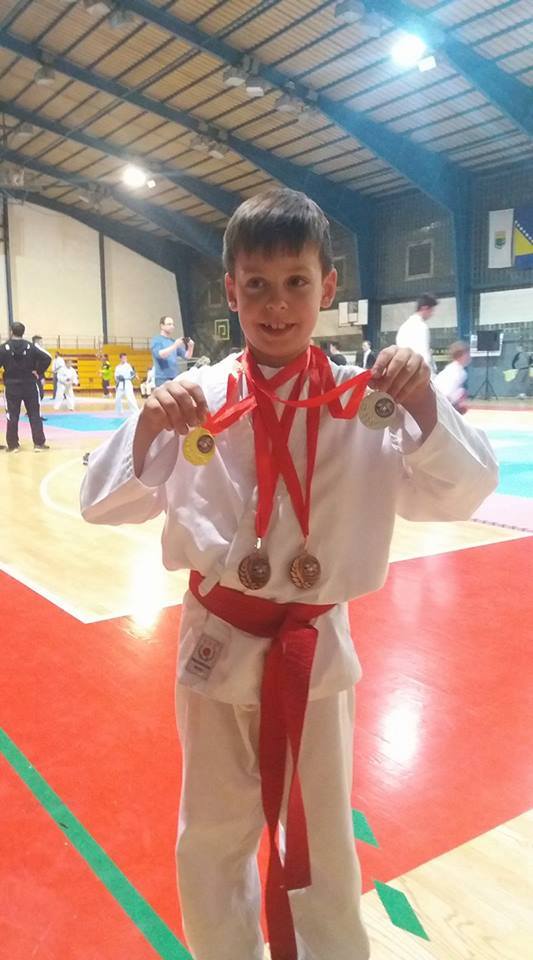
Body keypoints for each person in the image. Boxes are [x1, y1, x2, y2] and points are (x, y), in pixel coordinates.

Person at [81, 188, 498, 960]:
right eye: (258, 285)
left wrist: (422, 406)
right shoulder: (197, 400)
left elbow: (459, 493)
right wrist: (148, 426)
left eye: (296, 282)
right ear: (230, 291)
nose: (277, 305)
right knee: (212, 836)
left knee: (322, 838)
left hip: (315, 652)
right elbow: (101, 504)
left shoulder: (367, 403)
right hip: (215, 644)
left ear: (327, 287)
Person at [0, 321, 51, 451]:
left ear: (11, 331)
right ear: (23, 332)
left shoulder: (3, 348)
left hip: (11, 386)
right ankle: (39, 444)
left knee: (12, 415)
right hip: (30, 384)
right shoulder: (31, 346)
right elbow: (47, 358)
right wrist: (38, 371)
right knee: (34, 414)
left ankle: (13, 445)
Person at [396, 294, 438, 372]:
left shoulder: (404, 326)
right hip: (418, 372)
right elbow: (423, 355)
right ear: (424, 308)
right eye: (431, 310)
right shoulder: (421, 326)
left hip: (405, 371)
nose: (432, 314)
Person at [151, 316, 195, 387]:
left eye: (173, 324)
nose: (172, 326)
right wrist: (175, 345)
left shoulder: (173, 341)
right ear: (162, 326)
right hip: (162, 378)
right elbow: (160, 355)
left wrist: (191, 346)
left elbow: (187, 356)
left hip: (175, 377)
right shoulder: (156, 340)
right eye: (169, 324)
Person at [435, 341, 470, 414]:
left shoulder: (451, 368)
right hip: (439, 403)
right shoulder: (458, 372)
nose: (469, 357)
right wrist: (458, 402)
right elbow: (446, 394)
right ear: (462, 356)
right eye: (467, 354)